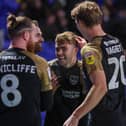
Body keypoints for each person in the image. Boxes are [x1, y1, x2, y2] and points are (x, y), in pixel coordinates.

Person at [63, 1, 126, 126]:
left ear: (80, 23)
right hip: (119, 112)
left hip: (102, 116)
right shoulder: (115, 41)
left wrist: (75, 116)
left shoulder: (90, 51)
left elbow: (100, 87)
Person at [0, 14, 53, 126]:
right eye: (37, 35)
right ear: (26, 35)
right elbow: (46, 105)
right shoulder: (40, 63)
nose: (42, 39)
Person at [44, 31, 89, 126]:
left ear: (75, 50)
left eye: (64, 49)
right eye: (57, 49)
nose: (59, 53)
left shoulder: (84, 69)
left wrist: (87, 50)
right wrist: (48, 92)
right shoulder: (48, 68)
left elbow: (92, 100)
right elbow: (40, 104)